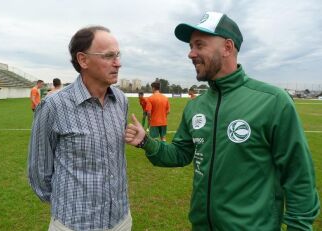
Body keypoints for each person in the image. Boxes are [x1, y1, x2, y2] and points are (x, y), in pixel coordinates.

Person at [125, 11, 320, 230]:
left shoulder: (273, 102)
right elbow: (181, 154)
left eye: (199, 45)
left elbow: (299, 177)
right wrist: (146, 141)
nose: (191, 53)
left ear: (227, 48)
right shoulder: (195, 106)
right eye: (190, 46)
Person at [28, 26, 131, 231]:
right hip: (74, 224)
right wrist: (69, 205)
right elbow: (39, 171)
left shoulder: (121, 100)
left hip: (120, 221)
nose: (118, 63)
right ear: (83, 60)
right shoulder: (54, 105)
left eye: (118, 55)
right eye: (109, 56)